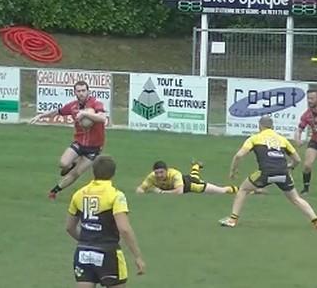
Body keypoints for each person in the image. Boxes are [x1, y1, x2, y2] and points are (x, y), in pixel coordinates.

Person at [219, 116, 317, 230]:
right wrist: (291, 167)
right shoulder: (282, 139)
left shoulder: (254, 138)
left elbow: (239, 155)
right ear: (272, 126)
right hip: (283, 173)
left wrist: (233, 171)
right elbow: (297, 159)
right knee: (295, 198)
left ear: (259, 126)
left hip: (265, 173)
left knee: (243, 189)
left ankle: (232, 219)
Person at [66, 155, 145, 287]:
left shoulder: (79, 194)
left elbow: (69, 227)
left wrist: (88, 240)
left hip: (83, 252)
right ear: (113, 173)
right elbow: (124, 229)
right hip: (108, 253)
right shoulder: (115, 195)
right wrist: (137, 256)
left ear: (93, 171)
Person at [30, 80, 108, 200]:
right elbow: (57, 112)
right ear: (75, 92)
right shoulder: (73, 106)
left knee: (77, 173)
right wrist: (41, 116)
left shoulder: (96, 104)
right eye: (79, 91)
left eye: (83, 90)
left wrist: (85, 114)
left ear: (88, 91)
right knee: (63, 164)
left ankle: (54, 191)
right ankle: (73, 163)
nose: (81, 93)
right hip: (79, 143)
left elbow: (103, 119)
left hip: (94, 147)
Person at [135, 160, 238, 195]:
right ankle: (196, 165)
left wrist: (161, 192)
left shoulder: (175, 174)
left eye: (161, 172)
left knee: (221, 191)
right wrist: (144, 192)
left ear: (167, 170)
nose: (159, 175)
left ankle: (244, 190)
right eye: (157, 173)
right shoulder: (152, 177)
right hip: (186, 179)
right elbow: (139, 189)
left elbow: (179, 191)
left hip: (190, 185)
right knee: (193, 175)